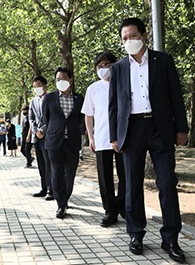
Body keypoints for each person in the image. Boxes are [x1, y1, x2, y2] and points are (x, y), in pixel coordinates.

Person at [108, 18, 189, 262]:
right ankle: (135, 233)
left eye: (132, 36)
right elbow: (113, 105)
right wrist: (114, 136)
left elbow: (176, 94)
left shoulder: (163, 60)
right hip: (132, 129)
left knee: (166, 183)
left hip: (160, 127)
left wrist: (181, 128)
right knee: (132, 184)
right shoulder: (118, 68)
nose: (128, 41)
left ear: (144, 35)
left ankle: (171, 238)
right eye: (124, 38)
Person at [82, 51, 126, 227]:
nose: (104, 69)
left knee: (125, 175)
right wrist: (90, 137)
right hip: (101, 138)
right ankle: (110, 210)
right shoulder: (93, 88)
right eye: (100, 66)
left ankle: (122, 205)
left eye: (107, 65)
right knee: (104, 177)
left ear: (114, 65)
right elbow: (88, 115)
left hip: (123, 137)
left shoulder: (123, 83)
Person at [38, 67, 85, 219]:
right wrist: (45, 130)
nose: (60, 82)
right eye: (58, 80)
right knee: (56, 173)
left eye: (63, 79)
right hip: (54, 141)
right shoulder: (49, 98)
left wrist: (81, 131)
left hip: (72, 141)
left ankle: (65, 198)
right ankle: (61, 204)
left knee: (69, 173)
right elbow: (45, 119)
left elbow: (82, 118)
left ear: (70, 79)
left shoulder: (79, 98)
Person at [29, 76, 54, 201]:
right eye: (34, 86)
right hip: (37, 138)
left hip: (48, 135)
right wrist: (35, 131)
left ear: (45, 86)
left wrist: (43, 130)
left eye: (38, 85)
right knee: (41, 164)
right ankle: (44, 187)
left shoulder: (51, 99)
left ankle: (51, 189)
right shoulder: (33, 101)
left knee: (49, 163)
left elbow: (53, 117)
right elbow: (31, 118)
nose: (36, 88)